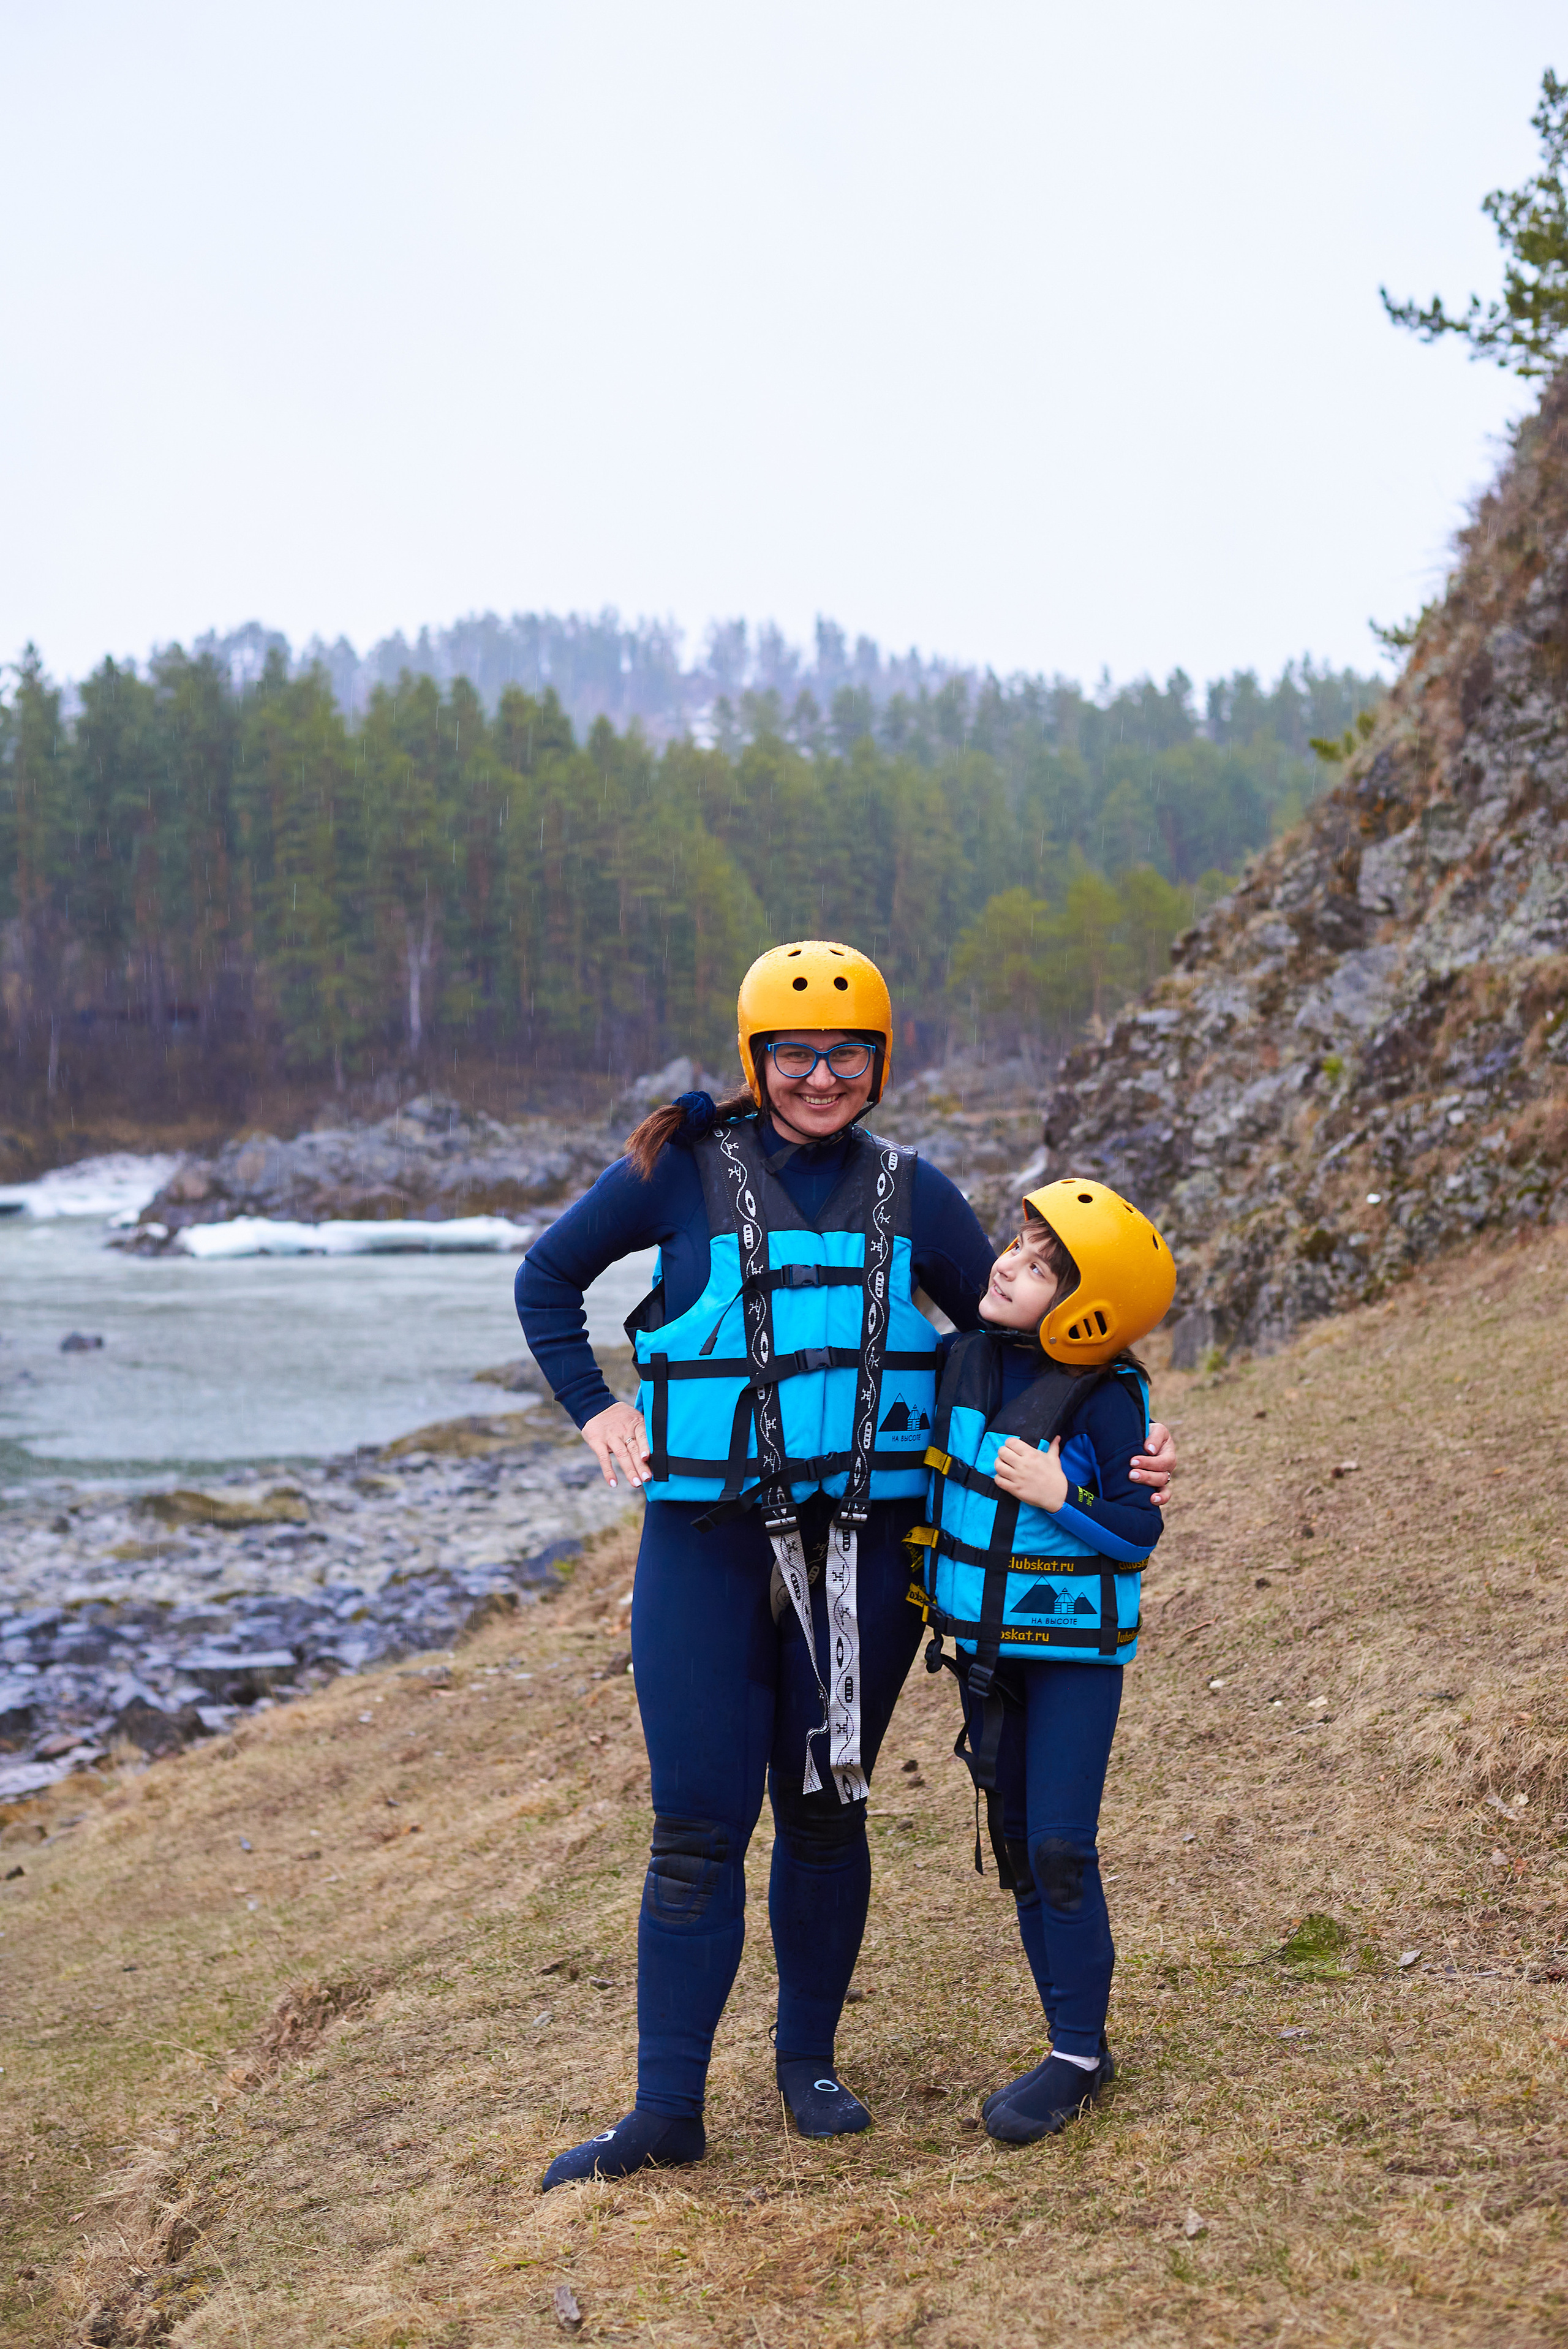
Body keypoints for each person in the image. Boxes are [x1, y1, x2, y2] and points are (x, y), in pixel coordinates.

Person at [514, 942, 1177, 2188]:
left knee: (824, 1813)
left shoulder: (912, 1195)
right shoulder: (674, 1174)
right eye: (796, 1055)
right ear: (756, 1058)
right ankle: (666, 2110)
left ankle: (807, 2066)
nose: (821, 1077)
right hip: (702, 1557)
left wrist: (1122, 1457)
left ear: (881, 1061)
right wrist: (593, 1409)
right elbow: (547, 1277)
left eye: (845, 1055)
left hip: (861, 1562)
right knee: (697, 1829)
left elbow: (1027, 1354)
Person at [907, 1178, 1176, 2144]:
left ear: (1086, 1309)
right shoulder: (964, 1358)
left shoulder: (1111, 1400)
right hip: (986, 1656)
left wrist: (1061, 1492)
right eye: (1016, 1250)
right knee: (1020, 1846)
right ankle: (1074, 2043)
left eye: (1036, 1266)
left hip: (1071, 1660)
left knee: (1061, 1846)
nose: (1006, 1264)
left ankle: (1077, 2054)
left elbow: (1136, 1534)